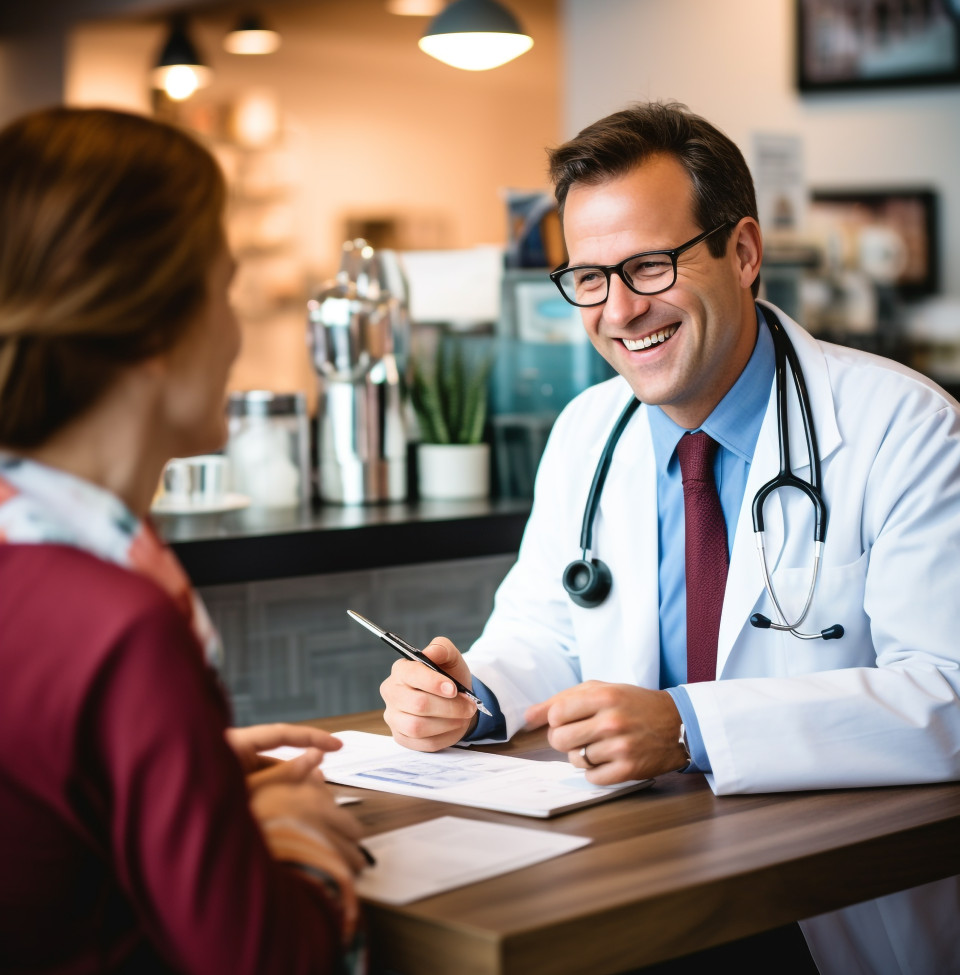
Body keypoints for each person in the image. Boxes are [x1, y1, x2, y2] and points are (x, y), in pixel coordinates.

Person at [379, 101, 960, 974]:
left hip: (818, 904)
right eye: (588, 276)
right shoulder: (587, 429)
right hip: (638, 876)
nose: (618, 309)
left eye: (649, 265)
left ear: (744, 252)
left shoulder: (903, 426)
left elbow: (948, 695)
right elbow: (545, 630)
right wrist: (474, 696)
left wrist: (691, 728)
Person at [0, 106, 369, 974]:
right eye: (224, 289)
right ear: (156, 327)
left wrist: (185, 775)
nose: (237, 335)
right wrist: (285, 841)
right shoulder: (118, 625)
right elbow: (262, 959)